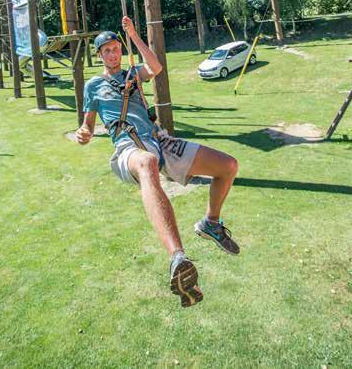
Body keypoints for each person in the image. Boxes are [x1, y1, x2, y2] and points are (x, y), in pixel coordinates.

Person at [75, 16, 240, 308]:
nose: (112, 54)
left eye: (116, 49)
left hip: (158, 138)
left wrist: (134, 37)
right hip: (128, 146)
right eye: (107, 51)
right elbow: (88, 123)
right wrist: (85, 133)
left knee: (228, 166)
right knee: (147, 162)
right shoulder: (92, 86)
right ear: (99, 55)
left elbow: (156, 67)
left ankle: (211, 223)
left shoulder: (133, 74)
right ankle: (178, 257)